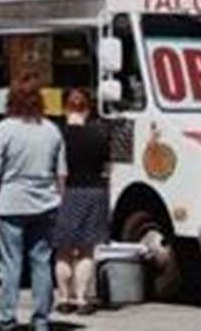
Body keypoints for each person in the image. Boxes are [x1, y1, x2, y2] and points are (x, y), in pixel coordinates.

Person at [0, 80, 67, 331]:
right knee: (42, 262)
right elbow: (61, 173)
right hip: (45, 203)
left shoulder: (5, 129)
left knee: (11, 263)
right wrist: (60, 201)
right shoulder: (51, 130)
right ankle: (41, 319)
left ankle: (8, 318)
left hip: (11, 204)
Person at [53, 88, 110, 315]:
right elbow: (106, 169)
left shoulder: (58, 135)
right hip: (93, 192)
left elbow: (56, 169)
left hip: (67, 191)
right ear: (88, 108)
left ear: (65, 107)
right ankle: (81, 299)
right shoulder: (99, 134)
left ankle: (63, 298)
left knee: (64, 250)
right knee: (86, 251)